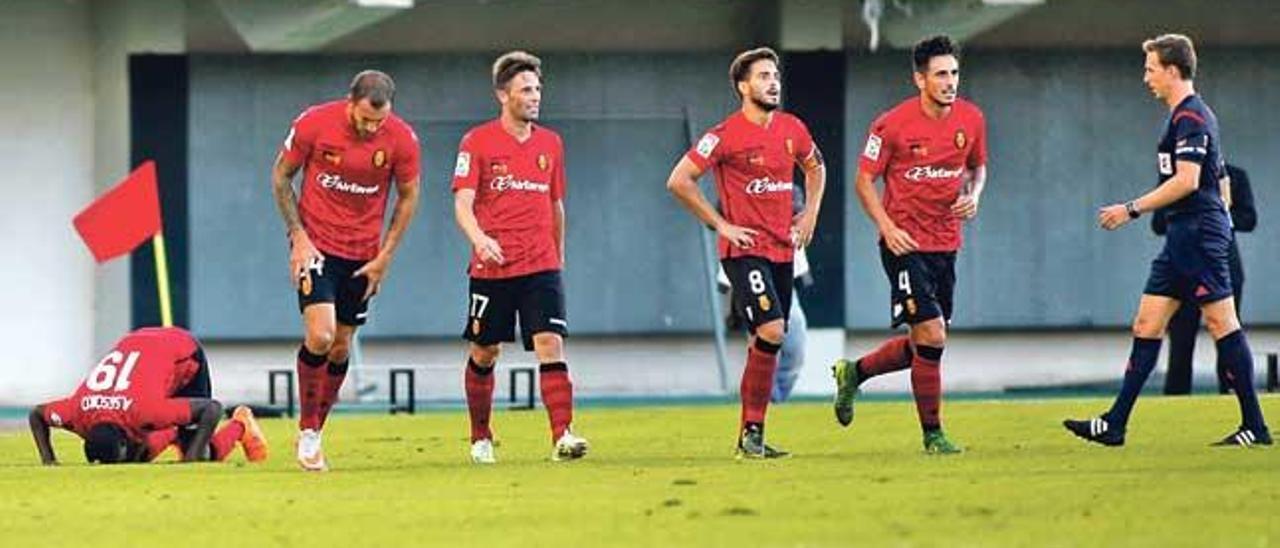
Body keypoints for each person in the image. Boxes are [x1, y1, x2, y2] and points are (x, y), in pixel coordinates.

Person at [1064, 34, 1270, 447]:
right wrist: (1218, 212)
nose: (1146, 78)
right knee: (1147, 324)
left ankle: (1255, 426)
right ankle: (1115, 422)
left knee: (1220, 323)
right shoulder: (1183, 117)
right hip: (1181, 236)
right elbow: (1221, 178)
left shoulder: (1192, 117)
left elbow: (1188, 180)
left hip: (1197, 235)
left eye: (1151, 68)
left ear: (1173, 71)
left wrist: (1131, 209)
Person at [667, 46, 826, 459]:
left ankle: (750, 434)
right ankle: (751, 433)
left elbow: (816, 167)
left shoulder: (793, 129)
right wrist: (720, 225)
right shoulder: (723, 135)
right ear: (743, 86)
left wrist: (809, 213)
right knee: (773, 329)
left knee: (770, 338)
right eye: (762, 76)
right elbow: (680, 180)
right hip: (743, 253)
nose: (772, 82)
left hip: (783, 251)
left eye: (775, 75)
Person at [831, 34, 988, 454]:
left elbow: (977, 168)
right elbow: (864, 180)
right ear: (920, 79)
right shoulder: (890, 125)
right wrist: (886, 226)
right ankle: (933, 435)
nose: (950, 82)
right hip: (903, 244)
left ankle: (855, 372)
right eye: (940, 74)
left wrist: (974, 196)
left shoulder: (971, 119)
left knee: (925, 343)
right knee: (933, 336)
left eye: (954, 73)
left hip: (946, 243)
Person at [270, 70, 422, 471]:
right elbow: (281, 176)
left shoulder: (402, 139)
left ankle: (317, 430)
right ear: (349, 102)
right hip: (316, 245)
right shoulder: (314, 123)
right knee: (319, 335)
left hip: (364, 255)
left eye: (380, 121)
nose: (372, 127)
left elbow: (408, 198)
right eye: (365, 119)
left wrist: (385, 256)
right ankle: (306, 430)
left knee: (340, 345)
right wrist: (298, 237)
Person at [452, 51, 588, 464]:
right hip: (492, 268)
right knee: (485, 351)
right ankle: (480, 436)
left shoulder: (551, 143)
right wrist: (479, 238)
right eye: (526, 89)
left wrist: (557, 254)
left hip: (541, 265)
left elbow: (556, 205)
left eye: (537, 89)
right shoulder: (476, 141)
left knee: (550, 343)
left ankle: (562, 435)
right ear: (502, 95)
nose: (535, 96)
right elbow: (462, 201)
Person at [29, 327, 268, 465]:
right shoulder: (76, 413)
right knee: (140, 454)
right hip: (138, 345)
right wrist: (49, 461)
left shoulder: (145, 410)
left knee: (199, 452)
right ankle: (173, 432)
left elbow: (212, 409)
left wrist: (190, 461)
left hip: (182, 352)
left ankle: (241, 425)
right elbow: (37, 414)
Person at [1153, 163, 1255, 395]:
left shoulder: (1234, 176)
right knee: (1180, 339)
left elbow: (1249, 219)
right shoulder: (1175, 179)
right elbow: (1158, 224)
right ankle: (1176, 398)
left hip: (1223, 268)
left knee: (1227, 333)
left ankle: (1232, 394)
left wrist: (1222, 210)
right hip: (1183, 266)